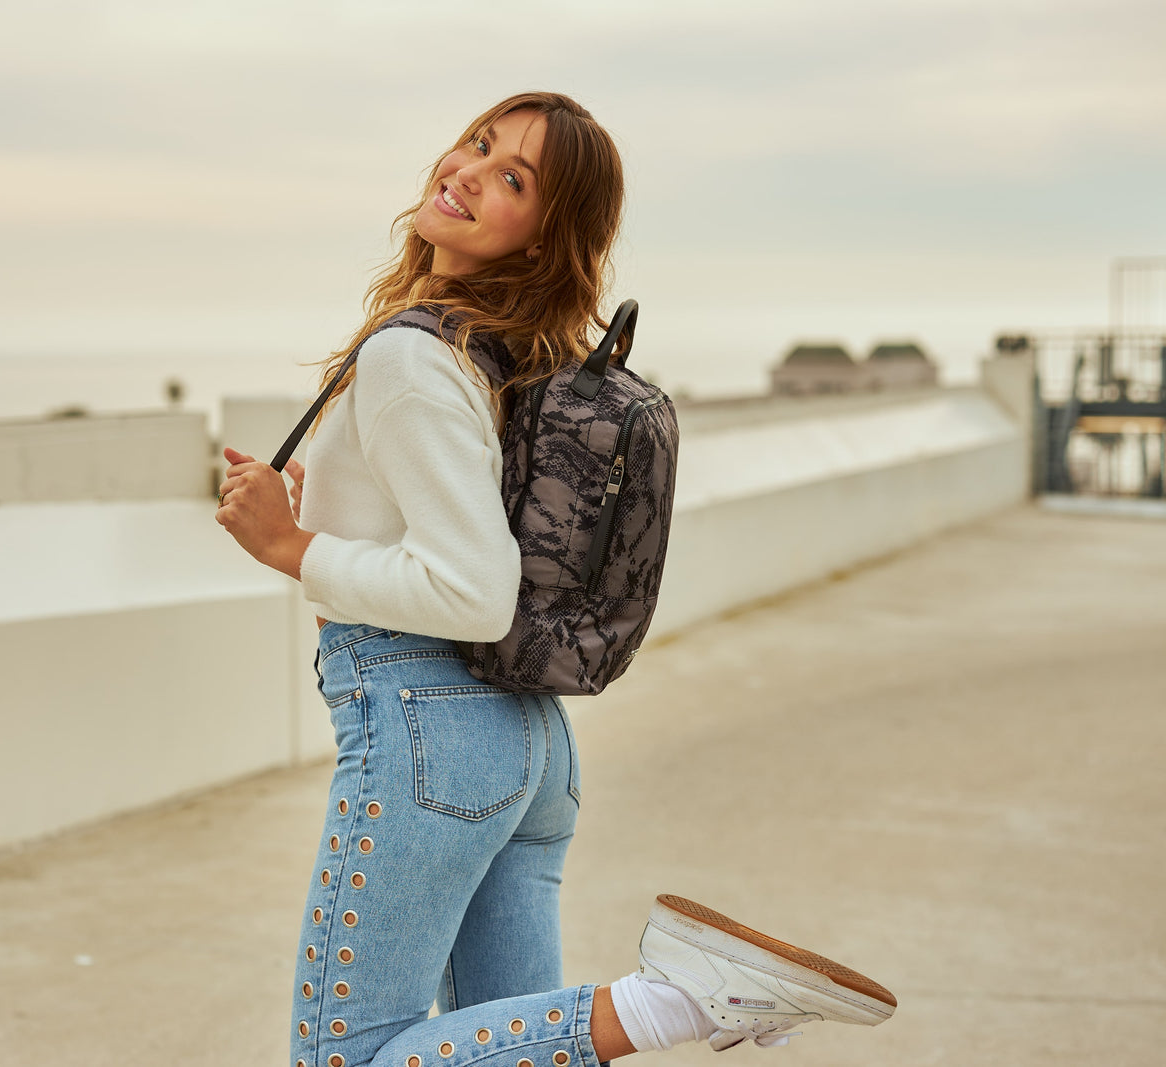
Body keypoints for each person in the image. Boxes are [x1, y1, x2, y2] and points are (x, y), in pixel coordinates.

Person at [215, 92, 895, 1067]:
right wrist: (319, 505)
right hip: (518, 741)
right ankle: (669, 1000)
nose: (467, 170)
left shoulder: (413, 350)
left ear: (543, 236)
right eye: (479, 144)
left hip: (426, 724)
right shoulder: (500, 352)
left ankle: (677, 1000)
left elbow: (470, 589)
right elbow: (458, 522)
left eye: (512, 179)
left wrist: (291, 550)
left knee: (350, 1051)